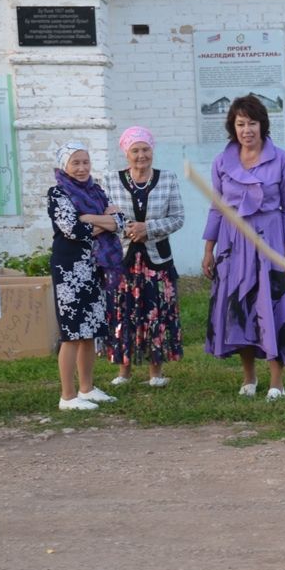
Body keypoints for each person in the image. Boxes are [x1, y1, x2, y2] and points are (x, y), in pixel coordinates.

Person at [202, 95, 285, 400]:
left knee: (271, 306)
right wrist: (209, 249)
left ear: (263, 124)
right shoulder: (222, 161)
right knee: (240, 306)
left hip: (269, 240)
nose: (247, 130)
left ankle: (277, 381)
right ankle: (249, 378)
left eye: (253, 123)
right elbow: (217, 208)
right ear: (233, 127)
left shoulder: (282, 159)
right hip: (234, 243)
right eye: (241, 123)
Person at [102, 126, 185, 387]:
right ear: (126, 153)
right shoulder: (110, 180)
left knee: (155, 313)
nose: (141, 155)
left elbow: (178, 218)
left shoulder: (168, 179)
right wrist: (128, 228)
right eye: (135, 150)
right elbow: (105, 216)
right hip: (123, 260)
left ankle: (155, 373)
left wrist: (147, 229)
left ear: (152, 151)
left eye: (145, 149)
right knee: (123, 312)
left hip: (156, 261)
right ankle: (123, 372)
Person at [47, 142, 124, 411]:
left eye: (85, 162)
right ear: (64, 166)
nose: (81, 168)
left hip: (94, 267)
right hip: (69, 270)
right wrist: (102, 220)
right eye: (75, 163)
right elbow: (73, 231)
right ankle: (67, 397)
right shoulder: (58, 193)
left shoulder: (96, 190)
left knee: (90, 330)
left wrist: (89, 217)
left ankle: (87, 388)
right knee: (71, 333)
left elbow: (121, 222)